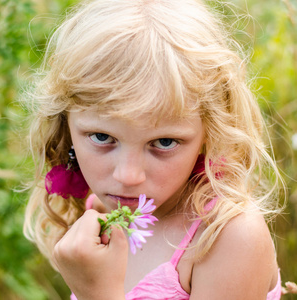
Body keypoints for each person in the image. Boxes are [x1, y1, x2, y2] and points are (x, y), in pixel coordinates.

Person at [23, 0, 284, 299]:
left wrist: (96, 293)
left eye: (164, 142)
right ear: (65, 125)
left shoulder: (228, 237)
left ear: (210, 132)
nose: (128, 176)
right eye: (101, 136)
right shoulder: (99, 211)